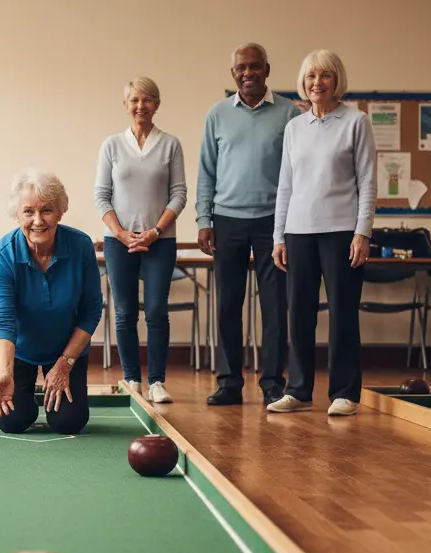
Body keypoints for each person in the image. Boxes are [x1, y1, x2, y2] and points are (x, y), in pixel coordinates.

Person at [267, 49, 376, 417]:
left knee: (344, 313)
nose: (318, 83)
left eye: (325, 75)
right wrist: (278, 236)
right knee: (299, 314)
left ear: (336, 81)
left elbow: (368, 182)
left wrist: (362, 233)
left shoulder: (356, 121)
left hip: (342, 231)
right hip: (298, 232)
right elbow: (285, 186)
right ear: (304, 82)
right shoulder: (294, 127)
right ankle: (297, 390)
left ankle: (345, 393)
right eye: (311, 76)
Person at [197, 43, 300, 407]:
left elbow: (297, 173)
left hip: (275, 222)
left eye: (255, 67)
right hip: (227, 221)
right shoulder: (217, 115)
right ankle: (228, 383)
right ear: (233, 73)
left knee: (275, 306)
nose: (248, 73)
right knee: (228, 304)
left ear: (267, 70)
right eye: (242, 67)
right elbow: (206, 172)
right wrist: (203, 219)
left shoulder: (290, 113)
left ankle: (273, 383)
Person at [0, 169, 103, 435]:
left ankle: (53, 391)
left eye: (47, 210)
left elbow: (91, 310)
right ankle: (24, 392)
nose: (38, 221)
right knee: (12, 421)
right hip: (18, 349)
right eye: (28, 212)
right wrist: (5, 373)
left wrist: (64, 364)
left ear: (61, 212)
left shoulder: (81, 246)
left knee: (69, 422)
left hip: (64, 349)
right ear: (17, 215)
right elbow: (2, 320)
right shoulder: (2, 254)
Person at [94, 76, 187, 403]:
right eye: (134, 100)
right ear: (125, 105)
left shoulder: (170, 144)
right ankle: (132, 378)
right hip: (118, 242)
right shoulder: (111, 145)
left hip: (159, 241)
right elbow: (101, 196)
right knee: (124, 312)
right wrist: (120, 233)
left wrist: (155, 231)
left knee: (157, 310)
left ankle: (158, 381)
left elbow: (178, 195)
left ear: (156, 105)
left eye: (147, 100)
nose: (140, 106)